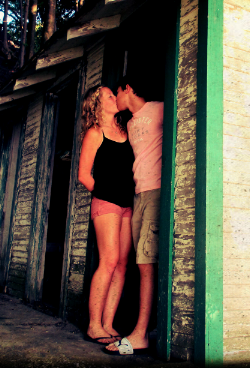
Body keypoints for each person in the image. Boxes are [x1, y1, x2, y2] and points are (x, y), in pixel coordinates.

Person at [104, 74, 163, 356]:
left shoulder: (159, 109)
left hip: (156, 191)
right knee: (142, 263)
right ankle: (145, 330)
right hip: (138, 194)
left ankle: (140, 335)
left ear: (127, 89)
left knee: (146, 264)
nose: (116, 98)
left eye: (116, 92)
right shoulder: (129, 123)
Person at [78, 85, 135, 345]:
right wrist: (104, 194)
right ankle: (94, 326)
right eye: (109, 96)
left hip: (127, 204)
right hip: (106, 203)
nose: (114, 98)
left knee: (122, 264)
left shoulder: (125, 130)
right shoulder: (95, 132)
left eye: (114, 94)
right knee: (109, 261)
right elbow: (83, 175)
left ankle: (108, 325)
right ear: (97, 104)